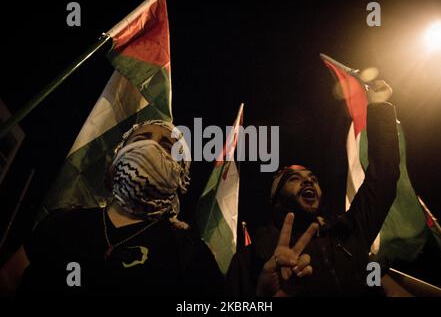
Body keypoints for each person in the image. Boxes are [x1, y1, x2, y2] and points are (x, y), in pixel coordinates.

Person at [0, 120, 223, 296]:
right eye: (142, 139)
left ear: (181, 175)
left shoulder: (190, 253)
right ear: (117, 155)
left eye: (167, 146)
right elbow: (9, 279)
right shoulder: (64, 221)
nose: (151, 147)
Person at [226, 83, 400, 297]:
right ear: (276, 198)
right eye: (294, 179)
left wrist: (379, 106)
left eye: (313, 179)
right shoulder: (252, 257)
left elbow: (384, 175)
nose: (308, 182)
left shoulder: (349, 231)